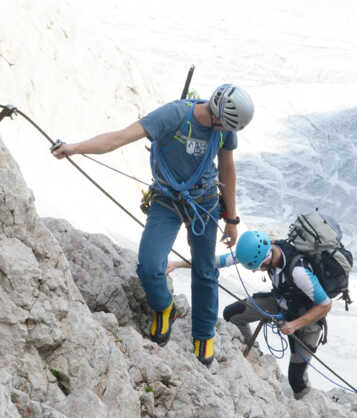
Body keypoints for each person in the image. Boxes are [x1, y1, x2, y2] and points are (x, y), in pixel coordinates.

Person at [52, 84, 254, 366]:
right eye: (227, 125)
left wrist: (232, 219)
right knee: (148, 265)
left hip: (204, 203)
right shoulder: (173, 116)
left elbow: (227, 168)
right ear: (218, 114)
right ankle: (164, 307)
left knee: (205, 270)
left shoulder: (225, 128)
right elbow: (118, 139)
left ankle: (204, 334)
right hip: (167, 198)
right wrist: (74, 148)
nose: (227, 131)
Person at [221, 230, 332, 399]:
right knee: (232, 314)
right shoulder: (264, 249)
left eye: (256, 267)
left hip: (307, 320)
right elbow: (224, 260)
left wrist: (294, 325)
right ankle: (251, 354)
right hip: (280, 303)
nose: (254, 271)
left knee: (296, 380)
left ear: (265, 259)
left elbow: (325, 305)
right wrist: (179, 264)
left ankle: (307, 408)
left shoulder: (298, 272)